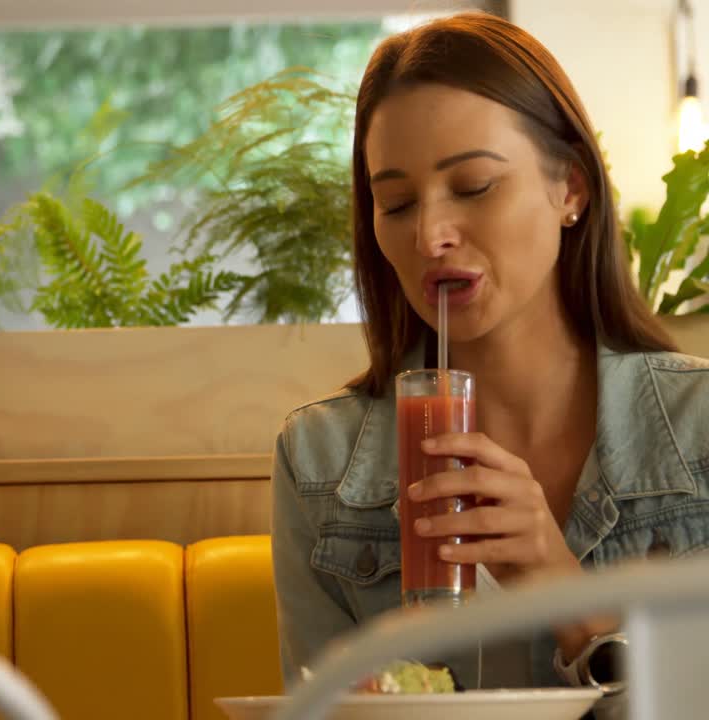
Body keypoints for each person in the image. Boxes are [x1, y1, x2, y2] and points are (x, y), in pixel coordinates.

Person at [271, 10, 709, 701]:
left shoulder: (699, 430)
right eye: (396, 203)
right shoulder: (320, 462)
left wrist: (562, 589)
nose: (431, 236)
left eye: (473, 186)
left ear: (570, 188)